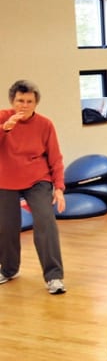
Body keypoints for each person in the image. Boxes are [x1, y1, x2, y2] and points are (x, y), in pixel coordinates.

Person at [0, 80, 67, 295]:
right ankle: (9, 269)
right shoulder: (2, 118)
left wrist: (58, 187)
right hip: (5, 179)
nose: (24, 105)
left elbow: (55, 158)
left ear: (35, 103)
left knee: (46, 222)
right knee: (7, 228)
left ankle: (54, 276)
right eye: (20, 100)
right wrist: (5, 129)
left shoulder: (45, 125)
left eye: (29, 101)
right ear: (12, 101)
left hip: (38, 179)